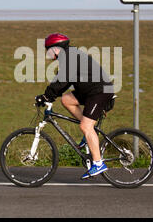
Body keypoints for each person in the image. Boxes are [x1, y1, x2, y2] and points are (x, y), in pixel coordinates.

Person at [35, 33, 115, 179]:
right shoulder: (69, 56)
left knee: (85, 126)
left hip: (100, 91)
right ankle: (89, 133)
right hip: (91, 90)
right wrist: (49, 95)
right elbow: (60, 81)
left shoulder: (70, 57)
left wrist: (47, 96)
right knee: (66, 99)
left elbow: (62, 81)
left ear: (56, 48)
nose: (47, 53)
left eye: (48, 49)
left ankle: (98, 163)